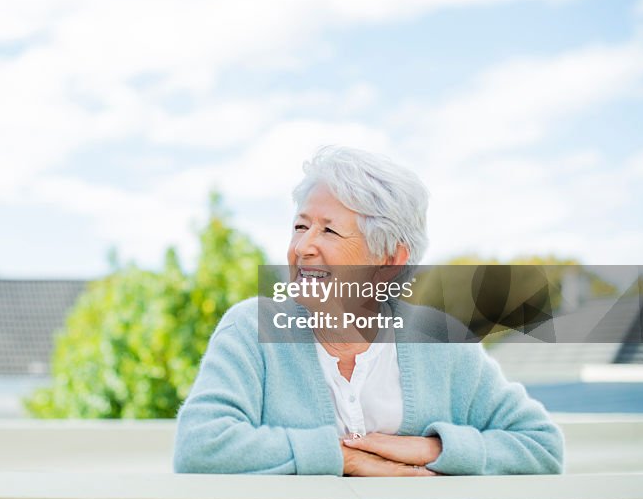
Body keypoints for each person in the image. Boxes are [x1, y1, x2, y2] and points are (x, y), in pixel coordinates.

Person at [173, 146, 564, 476]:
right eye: (299, 226)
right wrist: (344, 458)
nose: (303, 247)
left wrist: (432, 449)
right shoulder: (250, 328)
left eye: (329, 230)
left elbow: (541, 445)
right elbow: (200, 445)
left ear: (389, 259)